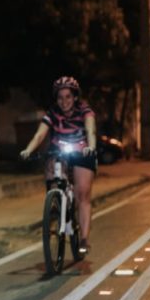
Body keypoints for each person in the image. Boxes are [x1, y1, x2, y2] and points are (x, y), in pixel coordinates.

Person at [20, 75, 98, 255]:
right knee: (51, 174)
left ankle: (84, 239)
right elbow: (39, 135)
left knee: (82, 194)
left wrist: (91, 147)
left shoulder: (85, 111)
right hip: (59, 150)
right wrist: (28, 150)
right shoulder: (52, 113)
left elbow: (90, 130)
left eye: (68, 97)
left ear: (75, 97)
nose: (64, 101)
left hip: (82, 151)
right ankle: (56, 205)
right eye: (60, 97)